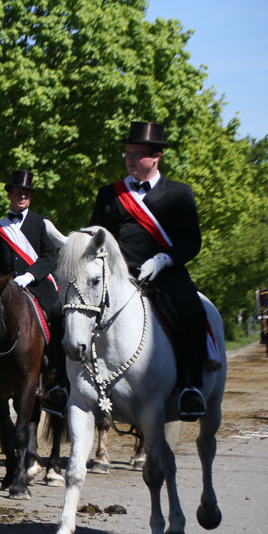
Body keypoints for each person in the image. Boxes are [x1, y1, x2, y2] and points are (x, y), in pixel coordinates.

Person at [89, 121, 209, 420]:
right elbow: (97, 235)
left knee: (193, 313)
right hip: (119, 275)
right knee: (71, 310)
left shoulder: (180, 194)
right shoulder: (109, 194)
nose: (130, 159)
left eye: (137, 154)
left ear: (156, 157)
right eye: (127, 153)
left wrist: (163, 260)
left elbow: (192, 241)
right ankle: (63, 385)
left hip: (164, 272)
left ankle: (191, 387)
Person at [0, 170, 67, 415]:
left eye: (26, 194)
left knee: (57, 312)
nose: (22, 197)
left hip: (37, 282)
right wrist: (2, 282)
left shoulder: (41, 223)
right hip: (7, 286)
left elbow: (49, 256)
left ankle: (56, 371)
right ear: (9, 194)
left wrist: (29, 275)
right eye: (18, 192)